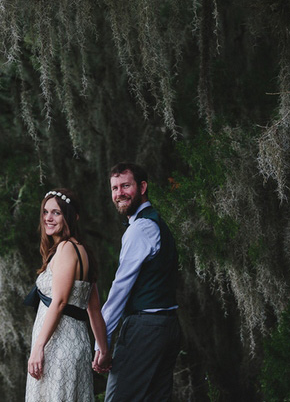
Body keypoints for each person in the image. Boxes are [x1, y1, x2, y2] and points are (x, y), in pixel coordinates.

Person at [92, 162, 180, 401]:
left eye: (125, 186)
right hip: (168, 326)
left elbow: (120, 289)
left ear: (142, 187)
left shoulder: (141, 228)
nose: (119, 193)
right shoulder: (156, 223)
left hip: (146, 328)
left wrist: (102, 344)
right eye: (114, 188)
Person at [26, 189, 111, 401]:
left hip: (58, 346)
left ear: (71, 216)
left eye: (56, 213)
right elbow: (93, 309)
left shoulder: (66, 248)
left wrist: (38, 347)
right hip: (75, 344)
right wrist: (103, 350)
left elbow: (61, 301)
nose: (48, 218)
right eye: (46, 212)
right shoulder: (83, 251)